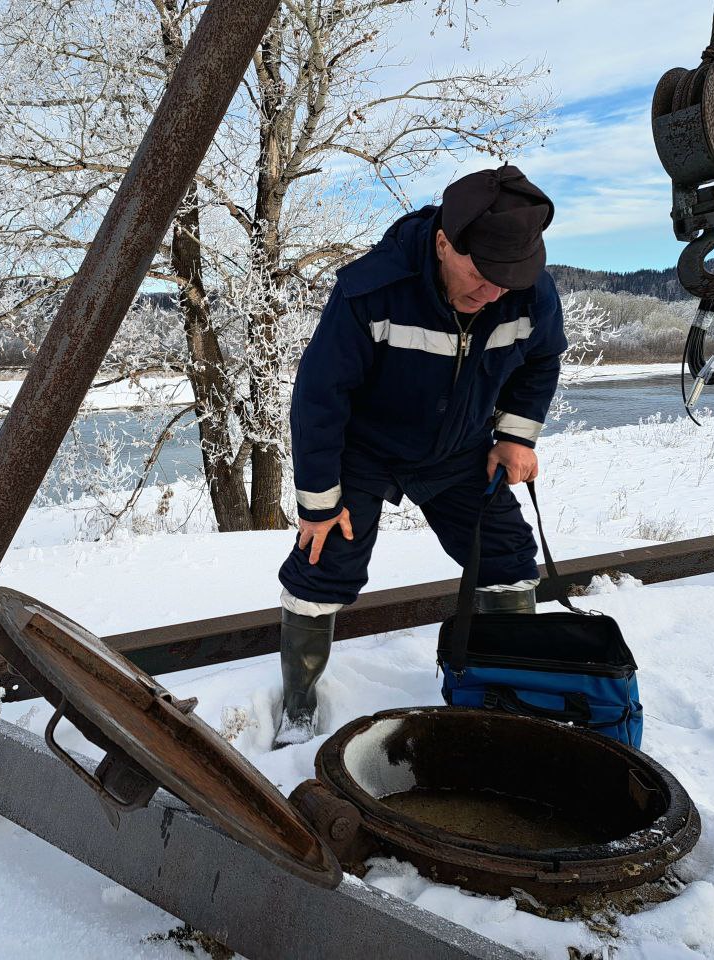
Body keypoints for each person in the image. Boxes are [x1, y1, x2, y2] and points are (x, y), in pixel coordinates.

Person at [274, 164, 566, 747]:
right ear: (442, 242)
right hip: (365, 448)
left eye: (506, 282)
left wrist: (515, 436)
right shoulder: (370, 290)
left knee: (507, 554)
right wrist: (318, 501)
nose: (492, 295)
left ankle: (506, 686)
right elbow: (318, 396)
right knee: (326, 558)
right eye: (481, 277)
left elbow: (541, 359)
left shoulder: (527, 293)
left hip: (458, 450)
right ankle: (297, 704)